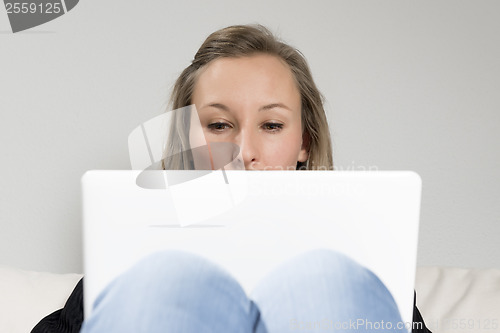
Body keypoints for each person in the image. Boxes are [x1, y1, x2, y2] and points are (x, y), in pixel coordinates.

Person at [32, 24, 431, 333]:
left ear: (304, 143)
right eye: (219, 125)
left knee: (330, 276)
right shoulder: (135, 263)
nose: (244, 151)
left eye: (272, 125)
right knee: (162, 275)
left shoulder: (358, 267)